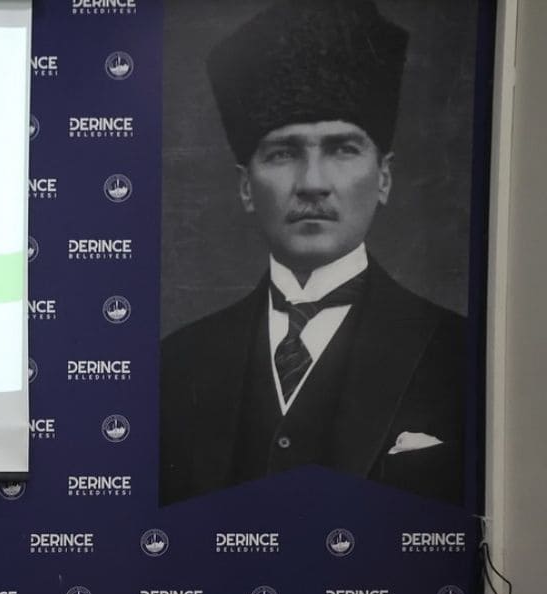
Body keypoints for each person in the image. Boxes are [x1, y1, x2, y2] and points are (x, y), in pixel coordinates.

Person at [159, 0, 464, 506]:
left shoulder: (459, 354)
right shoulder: (176, 363)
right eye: (283, 153)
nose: (313, 183)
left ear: (384, 178)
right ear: (246, 188)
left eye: (343, 149)